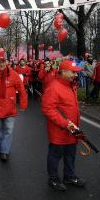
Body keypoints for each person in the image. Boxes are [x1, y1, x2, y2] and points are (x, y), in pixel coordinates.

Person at [41, 60, 86, 191]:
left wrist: (74, 126)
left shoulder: (70, 85)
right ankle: (53, 178)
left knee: (70, 155)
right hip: (59, 131)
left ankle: (69, 176)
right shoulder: (54, 87)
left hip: (72, 130)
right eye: (73, 72)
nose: (75, 75)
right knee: (55, 156)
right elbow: (48, 109)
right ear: (64, 71)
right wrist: (65, 124)